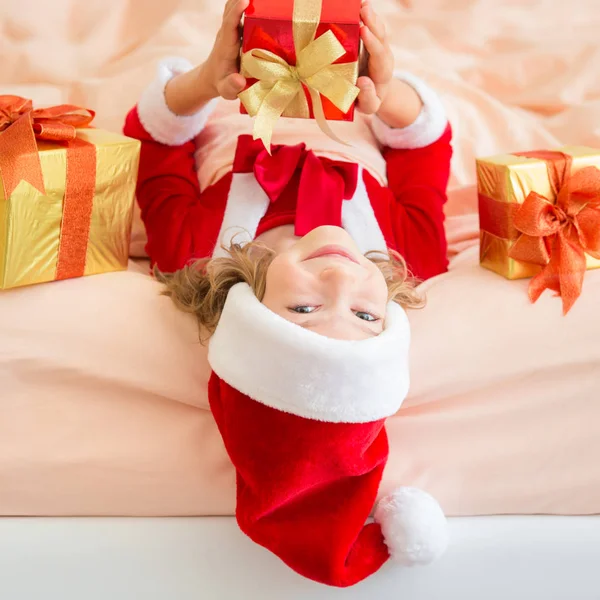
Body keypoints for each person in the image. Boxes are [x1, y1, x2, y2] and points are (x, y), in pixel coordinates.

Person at [123, 0, 452, 587]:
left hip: (223, 108)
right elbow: (425, 147)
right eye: (365, 313)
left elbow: (154, 143)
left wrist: (207, 78)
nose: (341, 278)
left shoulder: (197, 254)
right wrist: (384, 90)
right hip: (362, 109)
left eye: (305, 309)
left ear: (248, 312)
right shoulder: (405, 259)